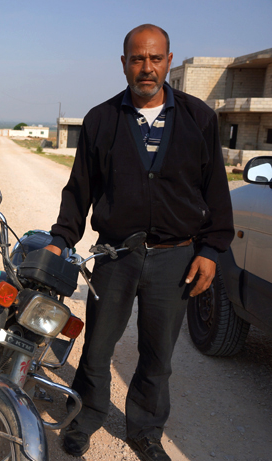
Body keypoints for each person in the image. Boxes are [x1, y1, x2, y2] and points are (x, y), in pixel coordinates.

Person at [44, 24, 234, 461]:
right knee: (97, 345)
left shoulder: (199, 118)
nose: (146, 68)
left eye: (155, 58)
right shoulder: (100, 120)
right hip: (116, 255)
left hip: (176, 258)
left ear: (169, 61)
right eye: (137, 58)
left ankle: (146, 430)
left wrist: (210, 251)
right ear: (124, 62)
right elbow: (79, 191)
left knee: (158, 352)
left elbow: (215, 191)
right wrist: (60, 239)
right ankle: (84, 417)